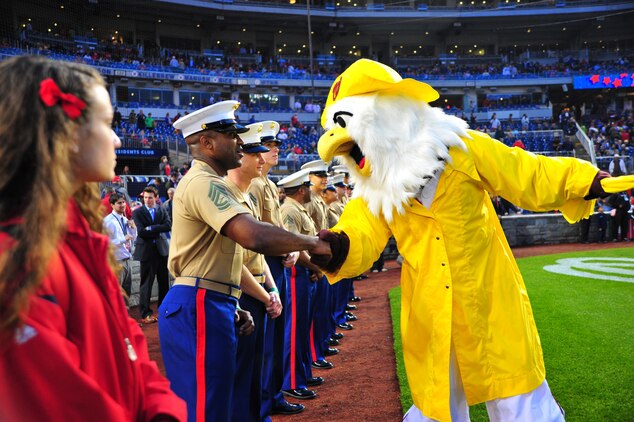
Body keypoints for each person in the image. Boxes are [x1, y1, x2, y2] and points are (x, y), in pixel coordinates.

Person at [313, 58, 634, 422]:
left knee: (517, 395)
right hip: (431, 309)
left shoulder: (462, 149)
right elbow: (361, 233)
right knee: (437, 405)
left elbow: (524, 172)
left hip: (489, 296)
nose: (359, 158)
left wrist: (582, 181)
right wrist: (337, 248)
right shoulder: (372, 191)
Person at [0, 55, 186, 421]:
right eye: (106, 123)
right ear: (66, 136)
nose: (117, 138)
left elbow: (128, 344)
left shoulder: (77, 237)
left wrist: (162, 411)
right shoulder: (15, 260)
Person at [158, 100, 330, 422]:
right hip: (199, 301)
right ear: (207, 143)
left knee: (219, 402)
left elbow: (222, 259)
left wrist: (234, 303)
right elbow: (253, 236)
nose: (239, 142)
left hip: (215, 299)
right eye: (230, 135)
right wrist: (314, 243)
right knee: (205, 408)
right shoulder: (203, 183)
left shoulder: (215, 184)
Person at [226, 122, 284, 422]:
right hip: (243, 291)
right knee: (242, 369)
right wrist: (266, 294)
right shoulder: (229, 194)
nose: (262, 158)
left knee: (257, 361)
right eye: (255, 152)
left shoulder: (248, 193)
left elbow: (256, 254)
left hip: (261, 282)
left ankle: (261, 412)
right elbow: (236, 263)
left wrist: (272, 291)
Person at [247, 121, 305, 416]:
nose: (274, 151)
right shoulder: (256, 184)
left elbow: (277, 227)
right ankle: (267, 399)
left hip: (277, 261)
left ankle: (274, 394)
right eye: (269, 147)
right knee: (267, 339)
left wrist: (291, 247)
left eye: (274, 147)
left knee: (277, 334)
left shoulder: (268, 184)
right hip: (265, 263)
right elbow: (257, 231)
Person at [278, 169, 323, 401]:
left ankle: (302, 374)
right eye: (308, 188)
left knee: (303, 326)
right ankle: (291, 381)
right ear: (302, 189)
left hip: (306, 273)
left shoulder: (298, 209)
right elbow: (296, 246)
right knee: (294, 328)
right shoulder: (289, 210)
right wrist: (316, 268)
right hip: (297, 273)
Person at [133, 186, 171, 324]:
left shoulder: (162, 210)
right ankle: (145, 314)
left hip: (161, 251)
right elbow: (141, 232)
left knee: (164, 283)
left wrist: (151, 228)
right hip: (146, 253)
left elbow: (168, 226)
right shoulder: (138, 213)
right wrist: (157, 228)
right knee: (146, 284)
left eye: (150, 197)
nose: (147, 200)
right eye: (145, 198)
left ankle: (163, 311)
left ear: (156, 197)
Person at [104, 193, 137, 297]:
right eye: (119, 203)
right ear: (112, 205)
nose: (122, 205)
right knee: (117, 292)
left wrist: (133, 229)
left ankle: (126, 313)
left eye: (123, 202)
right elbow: (106, 242)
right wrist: (123, 239)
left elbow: (133, 238)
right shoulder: (108, 221)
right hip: (116, 261)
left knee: (127, 292)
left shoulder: (125, 219)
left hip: (127, 259)